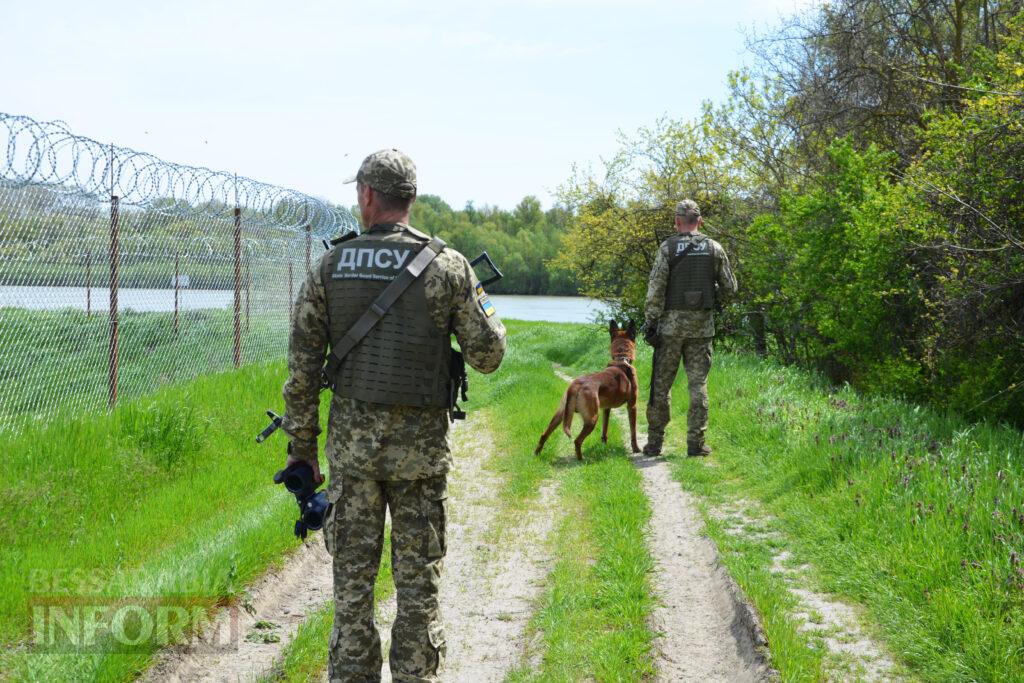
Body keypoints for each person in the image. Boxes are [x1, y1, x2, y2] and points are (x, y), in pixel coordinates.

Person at [280, 148, 507, 682]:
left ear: (365, 196)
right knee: (417, 594)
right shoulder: (447, 267)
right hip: (421, 462)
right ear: (411, 198)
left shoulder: (330, 266)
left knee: (352, 595)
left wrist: (303, 451)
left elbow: (302, 371)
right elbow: (489, 356)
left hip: (353, 462)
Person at [642, 199, 736, 457]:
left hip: (670, 330)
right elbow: (731, 288)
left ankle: (654, 444)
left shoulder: (667, 249)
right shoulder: (714, 248)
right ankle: (696, 444)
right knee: (698, 386)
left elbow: (655, 290)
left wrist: (650, 322)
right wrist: (713, 291)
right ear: (700, 221)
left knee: (661, 386)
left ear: (677, 221)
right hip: (701, 329)